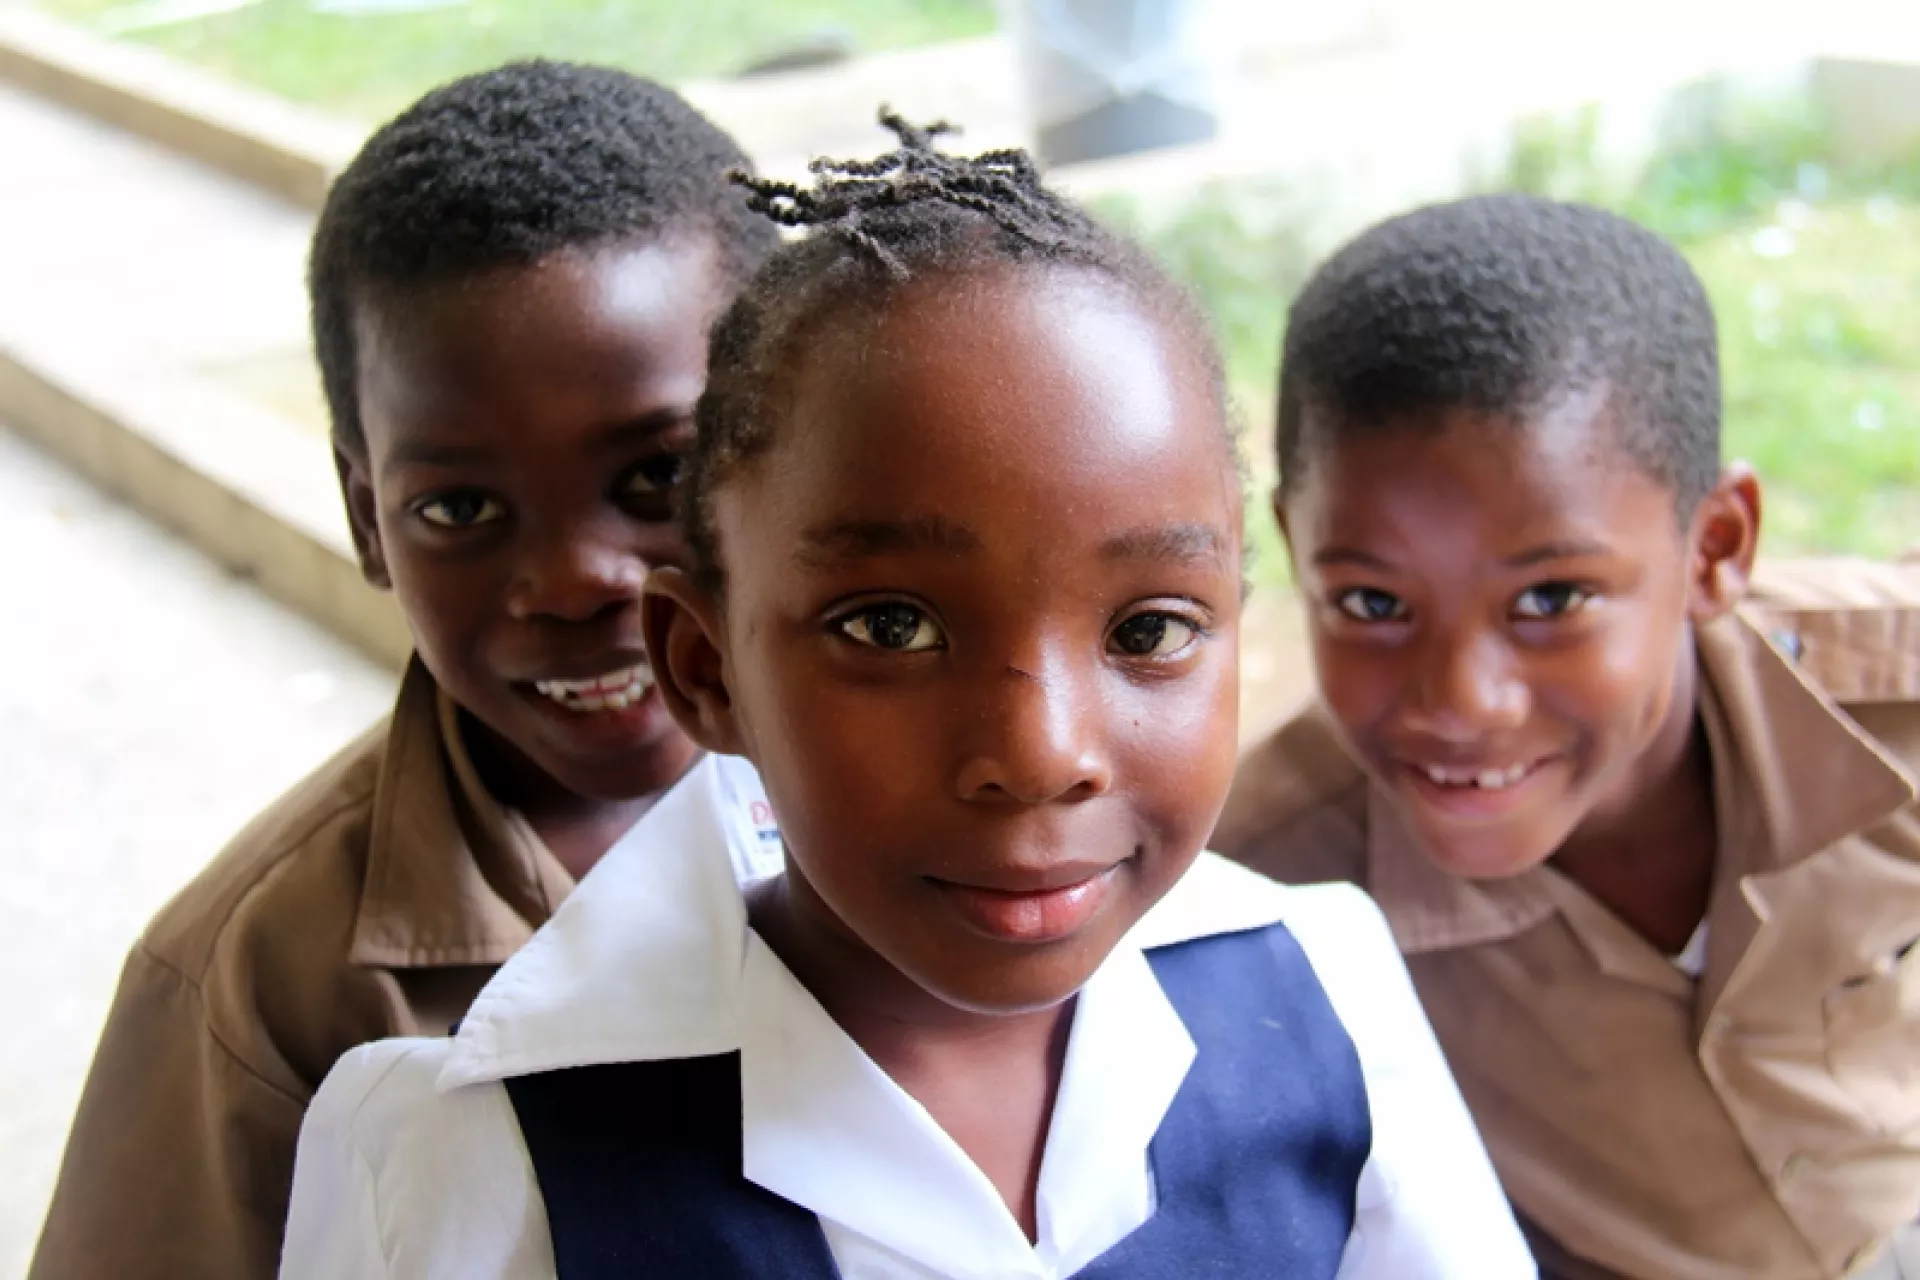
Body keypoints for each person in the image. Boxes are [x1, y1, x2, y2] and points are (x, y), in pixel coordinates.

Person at [276, 116, 1535, 1279]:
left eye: (1148, 628)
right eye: (891, 625)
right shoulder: (482, 1153)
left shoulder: (1323, 995)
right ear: (705, 668)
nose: (1040, 754)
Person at [29, 62, 782, 1280]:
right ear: (367, 518)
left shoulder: (922, 780)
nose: (575, 578)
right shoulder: (262, 983)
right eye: (464, 505)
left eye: (657, 475)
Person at [1214, 192, 1920, 1280]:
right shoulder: (1264, 904)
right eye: (1370, 603)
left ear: (1714, 547)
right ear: (1293, 548)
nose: (1462, 701)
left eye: (1551, 598)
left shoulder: (1894, 703)